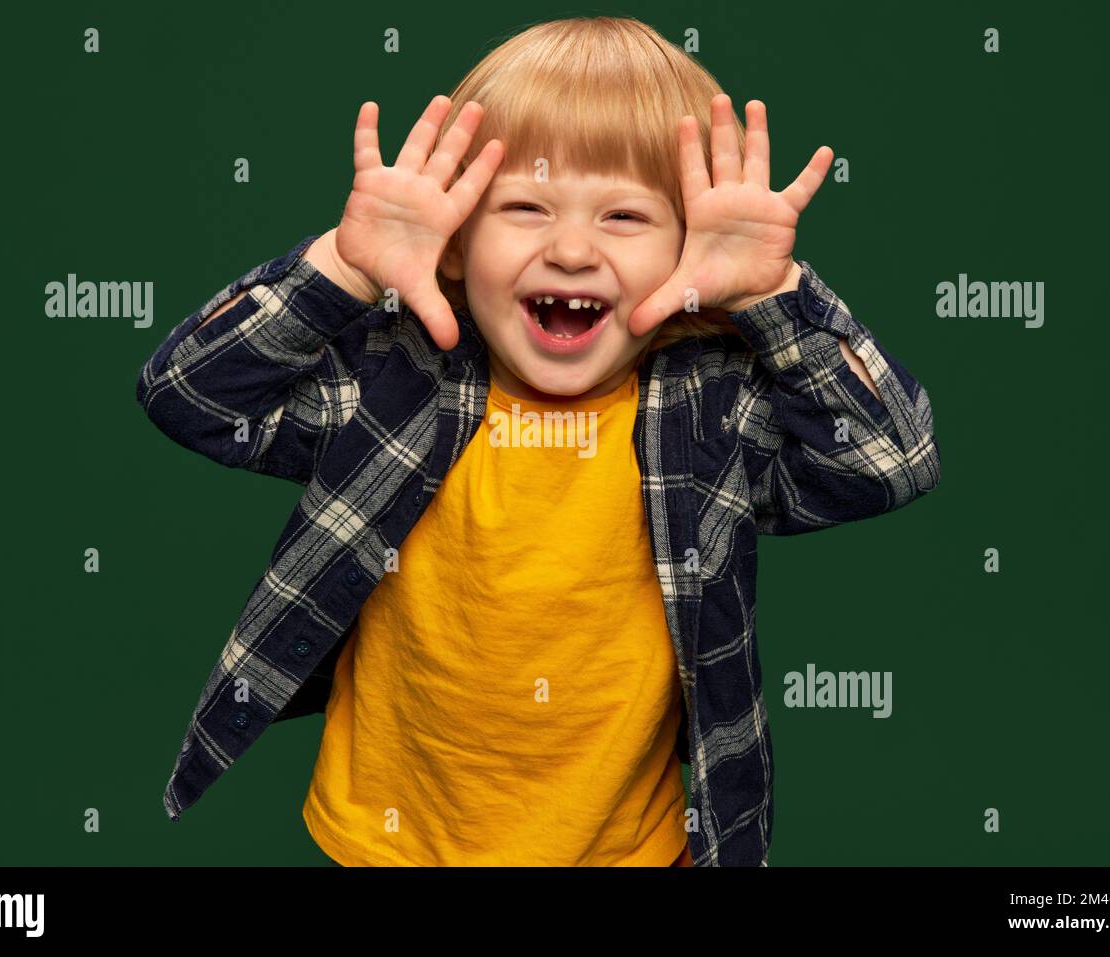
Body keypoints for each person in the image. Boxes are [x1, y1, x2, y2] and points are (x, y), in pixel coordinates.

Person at [135, 16, 941, 867]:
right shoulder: (394, 381)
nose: (570, 248)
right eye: (525, 207)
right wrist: (343, 265)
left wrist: (773, 293)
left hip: (631, 851)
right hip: (389, 845)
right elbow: (189, 396)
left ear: (689, 258)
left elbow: (890, 458)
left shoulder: (711, 412)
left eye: (626, 215)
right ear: (456, 243)